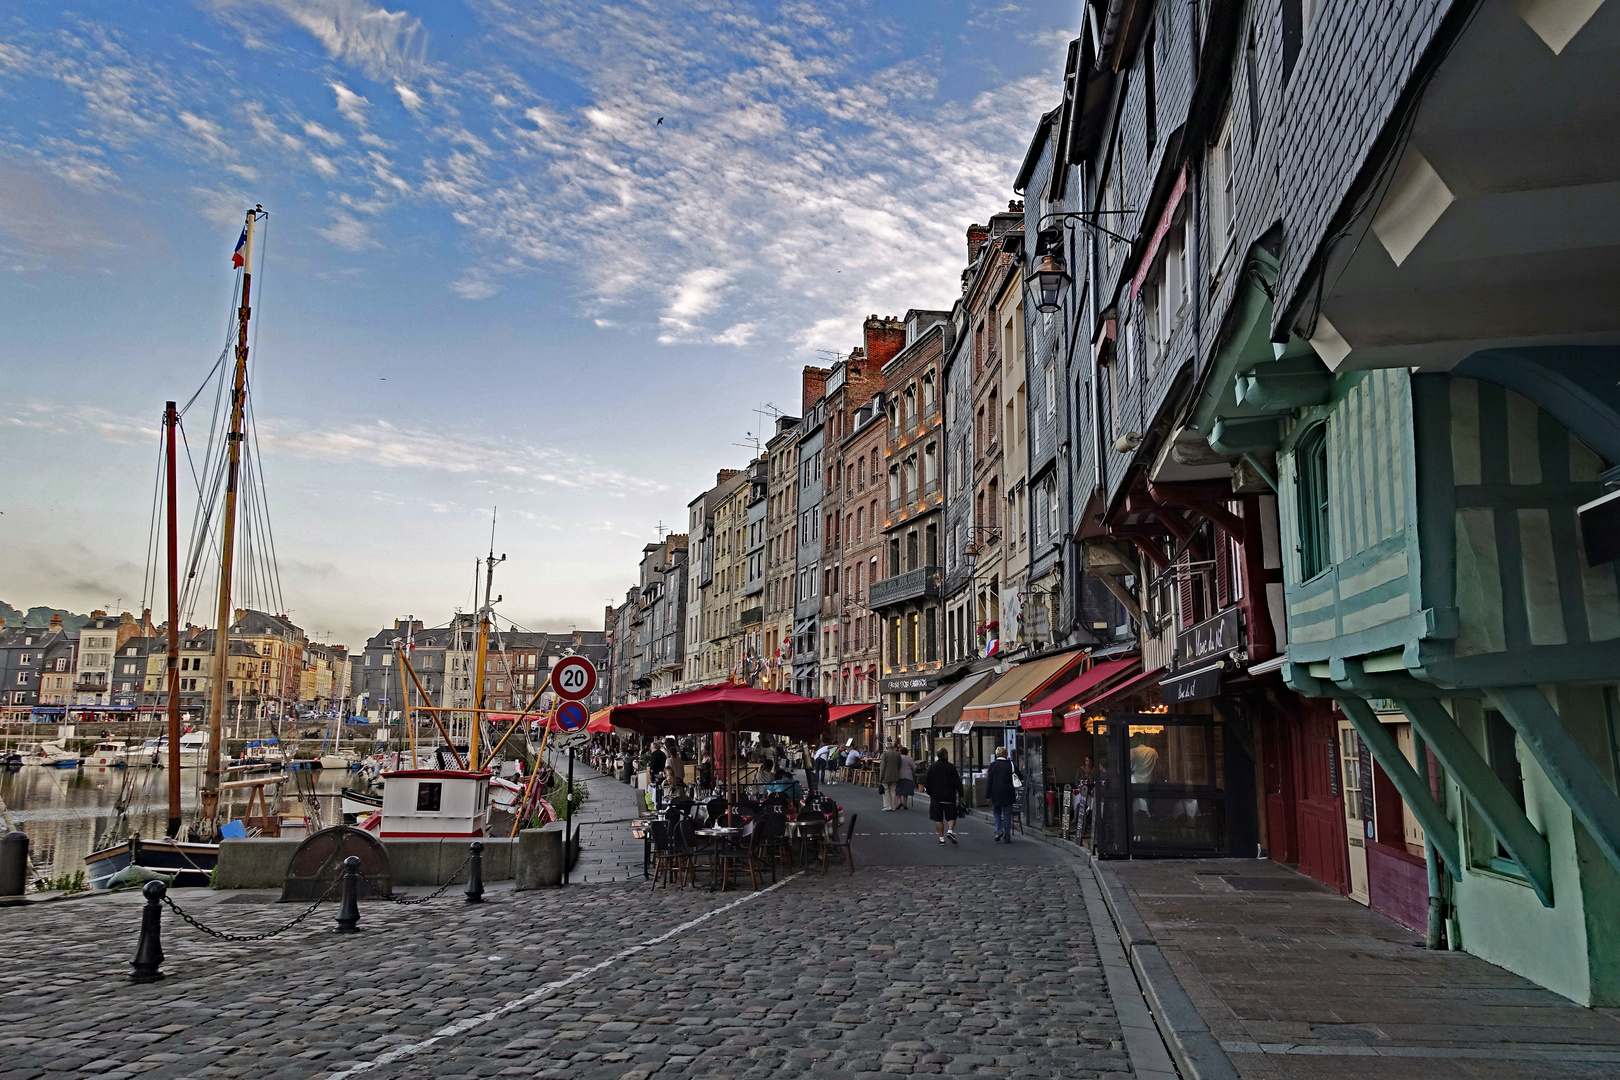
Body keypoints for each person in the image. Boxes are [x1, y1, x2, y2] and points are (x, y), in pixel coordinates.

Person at [924, 748, 961, 845]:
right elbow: (957, 782)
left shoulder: (932, 767)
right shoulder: (951, 767)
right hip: (949, 796)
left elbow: (927, 782)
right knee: (951, 816)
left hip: (936, 797)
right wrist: (961, 794)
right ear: (945, 754)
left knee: (938, 818)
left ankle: (941, 839)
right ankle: (950, 831)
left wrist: (930, 792)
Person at [985, 746, 1021, 843]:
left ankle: (999, 830)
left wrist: (987, 794)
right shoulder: (1011, 765)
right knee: (1007, 813)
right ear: (1005, 754)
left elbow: (989, 781)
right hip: (1008, 792)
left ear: (997, 754)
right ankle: (1007, 836)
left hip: (995, 792)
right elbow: (1020, 776)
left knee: (996, 811)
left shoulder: (993, 765)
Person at [878, 740, 902, 811]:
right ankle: (893, 805)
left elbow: (882, 767)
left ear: (886, 747)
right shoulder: (897, 754)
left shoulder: (885, 754)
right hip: (895, 774)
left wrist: (880, 777)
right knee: (893, 790)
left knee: (886, 790)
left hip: (886, 775)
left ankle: (888, 805)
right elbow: (899, 765)